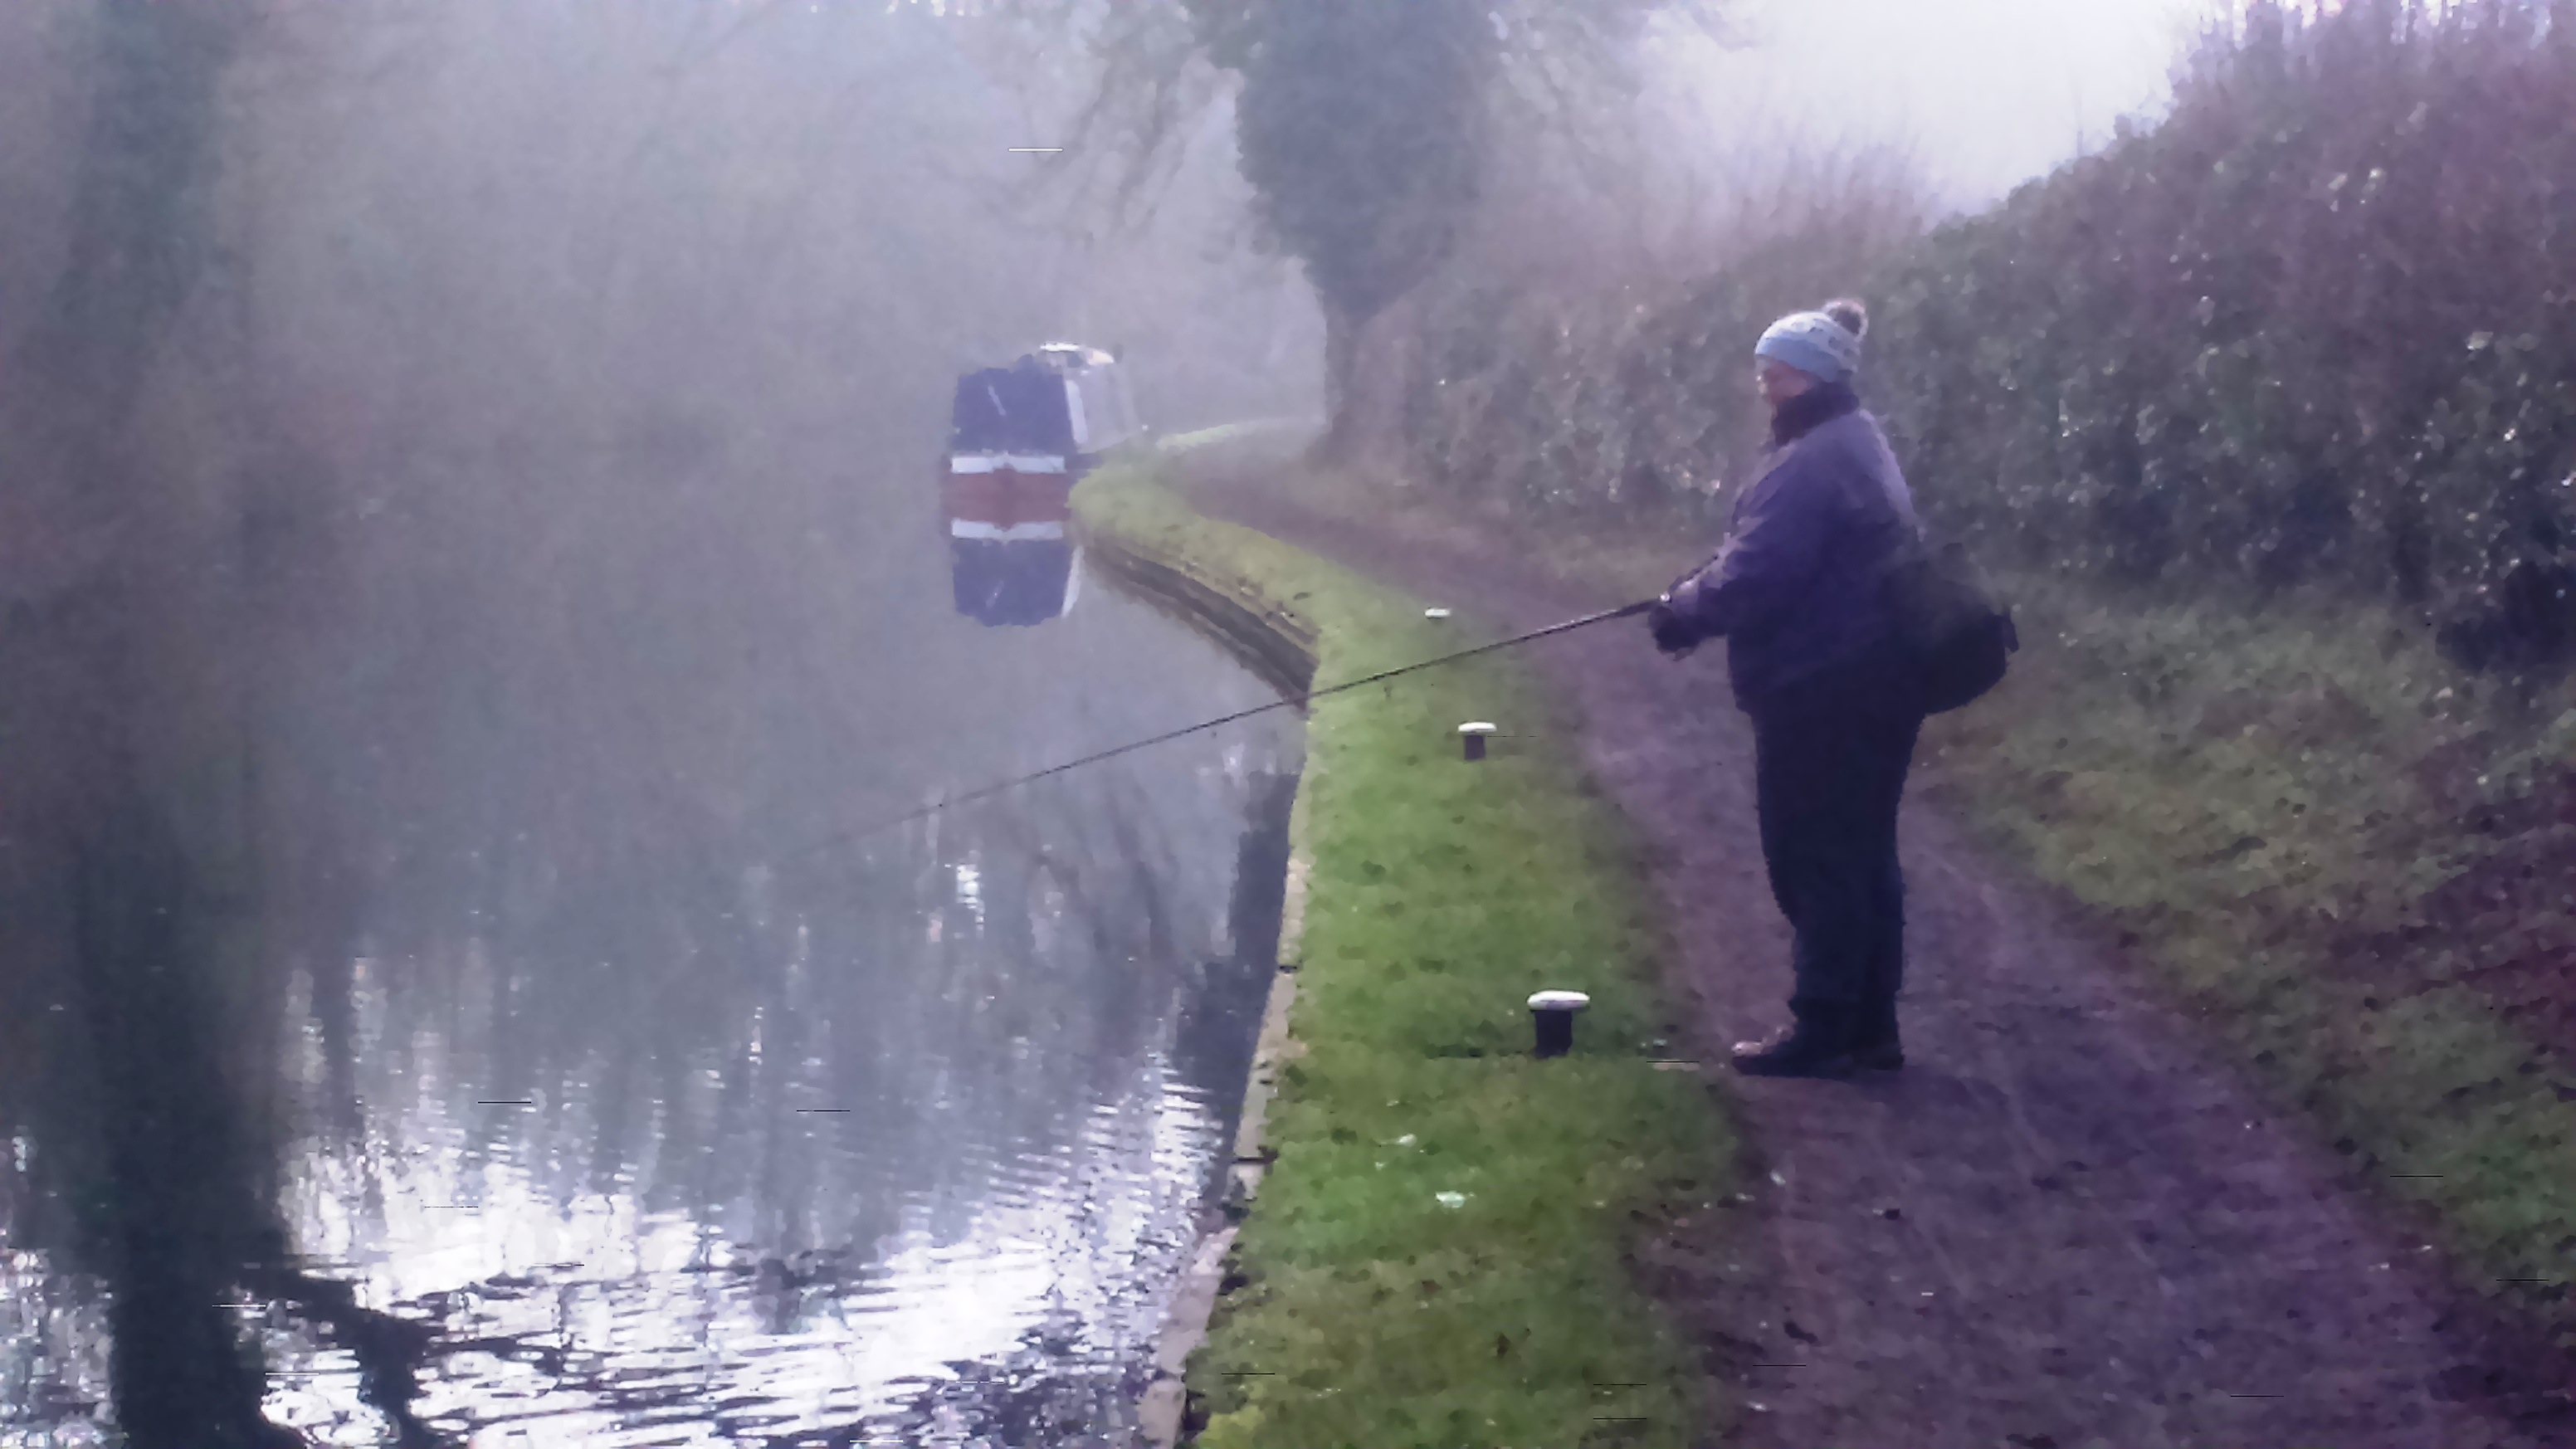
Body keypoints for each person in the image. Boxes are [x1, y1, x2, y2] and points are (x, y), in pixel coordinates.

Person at [1647, 298, 1927, 1080]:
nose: (1762, 385)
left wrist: (1681, 612)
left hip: (1824, 686)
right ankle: (1870, 1025)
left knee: (1812, 853)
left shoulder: (1811, 460)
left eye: (1775, 372)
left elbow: (1759, 570)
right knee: (1864, 851)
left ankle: (1825, 1026)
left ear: (1811, 376)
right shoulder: (1856, 438)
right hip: (1877, 678)